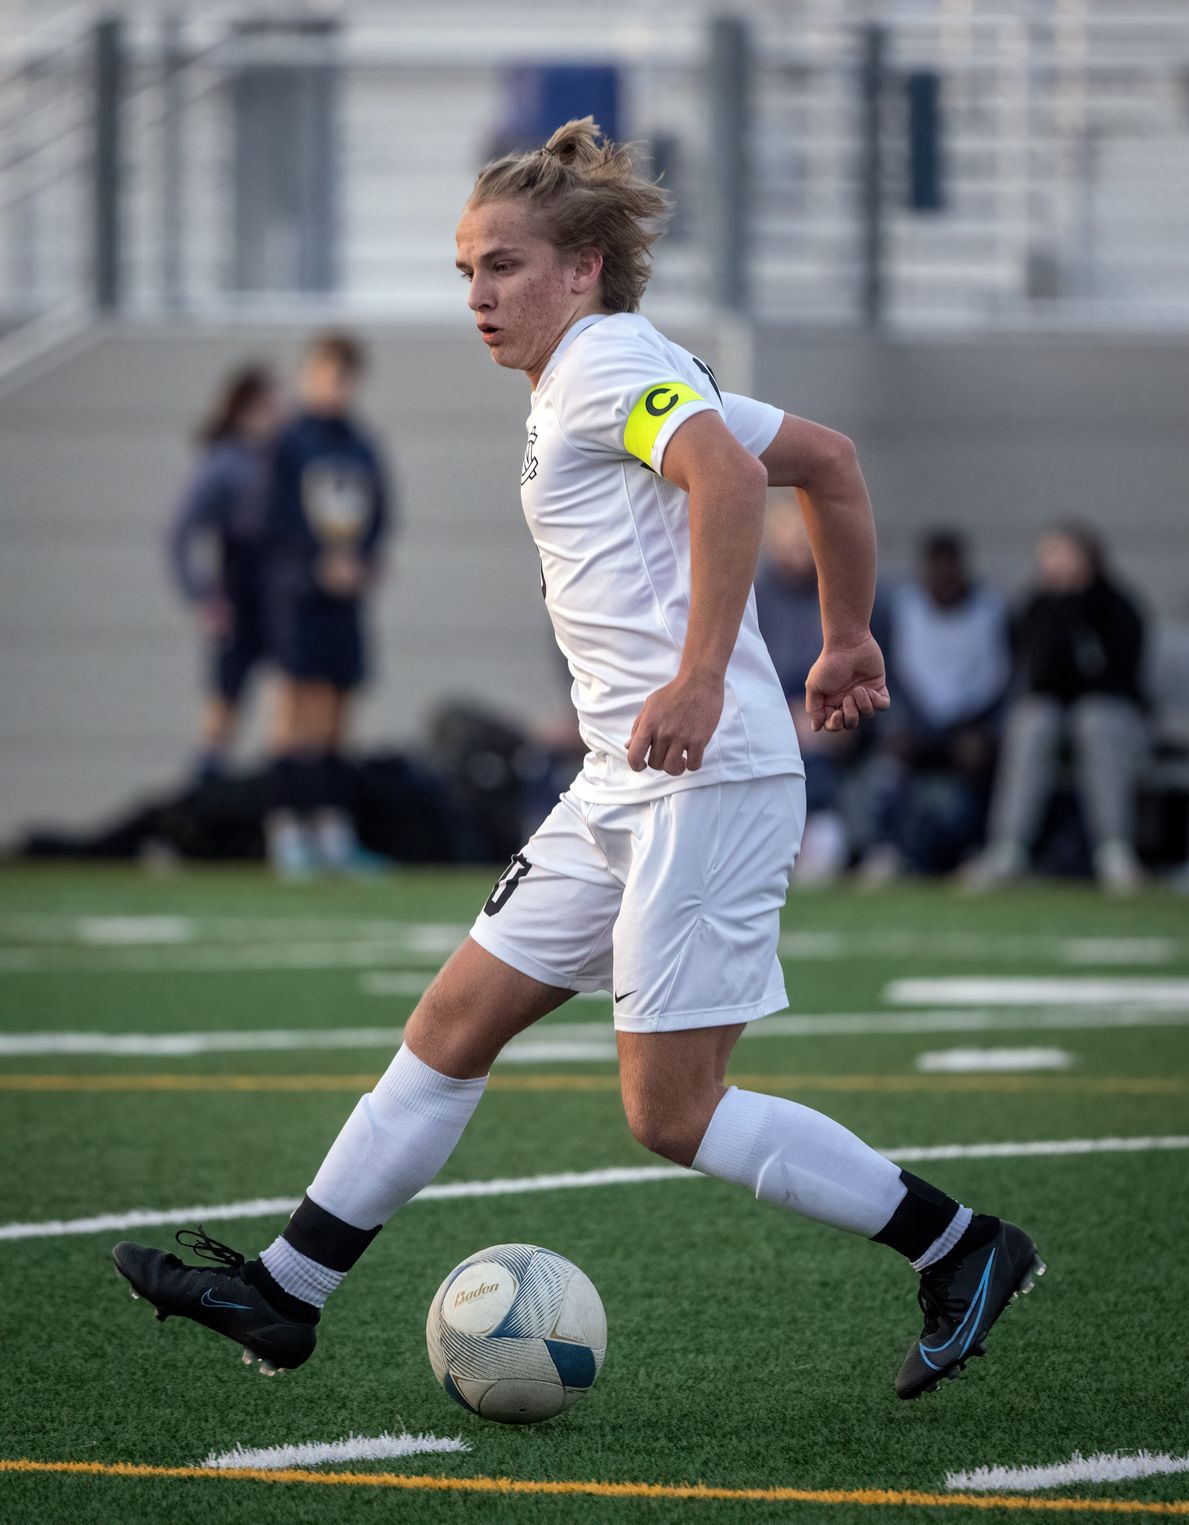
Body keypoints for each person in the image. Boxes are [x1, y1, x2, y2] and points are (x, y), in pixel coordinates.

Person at [114, 119, 1042, 1402]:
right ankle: (285, 1289)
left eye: (503, 266)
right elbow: (825, 461)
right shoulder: (604, 370)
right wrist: (839, 638)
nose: (480, 295)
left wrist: (711, 673)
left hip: (703, 779)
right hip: (623, 775)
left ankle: (963, 1245)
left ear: (585, 268)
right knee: (452, 1024)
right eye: (465, 272)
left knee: (671, 1113)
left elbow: (724, 478)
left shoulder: (609, 360)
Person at [261, 332, 393, 876]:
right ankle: (288, 829)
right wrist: (316, 565)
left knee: (339, 709)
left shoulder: (361, 443)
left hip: (346, 602)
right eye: (327, 372)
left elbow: (380, 512)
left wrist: (363, 561)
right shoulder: (288, 442)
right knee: (297, 710)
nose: (336, 385)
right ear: (308, 374)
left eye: (346, 376)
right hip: (299, 600)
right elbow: (274, 518)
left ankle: (333, 830)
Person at [966, 522, 1146, 892]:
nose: (1054, 564)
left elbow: (1114, 677)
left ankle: (1114, 848)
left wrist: (1078, 611)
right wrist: (1060, 610)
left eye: (1063, 554)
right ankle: (1009, 846)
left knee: (1092, 720)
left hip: (1112, 716)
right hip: (1054, 716)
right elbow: (1039, 676)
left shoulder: (1117, 606)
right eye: (1048, 556)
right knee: (1032, 721)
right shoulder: (1038, 606)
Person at [858, 530, 1010, 881]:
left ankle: (976, 848)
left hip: (971, 724)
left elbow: (1001, 675)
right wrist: (911, 718)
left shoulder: (990, 610)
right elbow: (892, 668)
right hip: (916, 721)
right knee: (892, 753)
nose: (942, 578)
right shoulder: (904, 608)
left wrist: (976, 723)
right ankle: (886, 845)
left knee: (978, 755)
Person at [165, 363, 282, 779]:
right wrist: (202, 597)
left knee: (290, 698)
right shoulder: (224, 462)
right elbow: (179, 535)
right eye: (271, 404)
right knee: (225, 700)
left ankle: (281, 790)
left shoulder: (282, 458)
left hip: (283, 591)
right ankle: (205, 789)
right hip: (242, 589)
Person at [754, 495, 864, 881]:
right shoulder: (751, 596)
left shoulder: (844, 594)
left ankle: (818, 828)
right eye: (790, 538)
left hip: (827, 713)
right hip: (767, 711)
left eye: (806, 538)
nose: (799, 548)